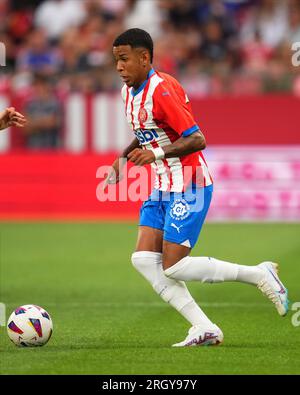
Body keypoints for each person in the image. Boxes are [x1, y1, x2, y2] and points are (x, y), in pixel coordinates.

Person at [105, 28, 289, 347]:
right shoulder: (128, 92)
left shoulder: (161, 89)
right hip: (162, 185)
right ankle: (204, 328)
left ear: (144, 57)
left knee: (174, 266)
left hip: (190, 183)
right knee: (144, 259)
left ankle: (259, 275)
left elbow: (197, 138)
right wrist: (123, 157)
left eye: (124, 59)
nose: (118, 66)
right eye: (115, 60)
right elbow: (147, 129)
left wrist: (157, 153)